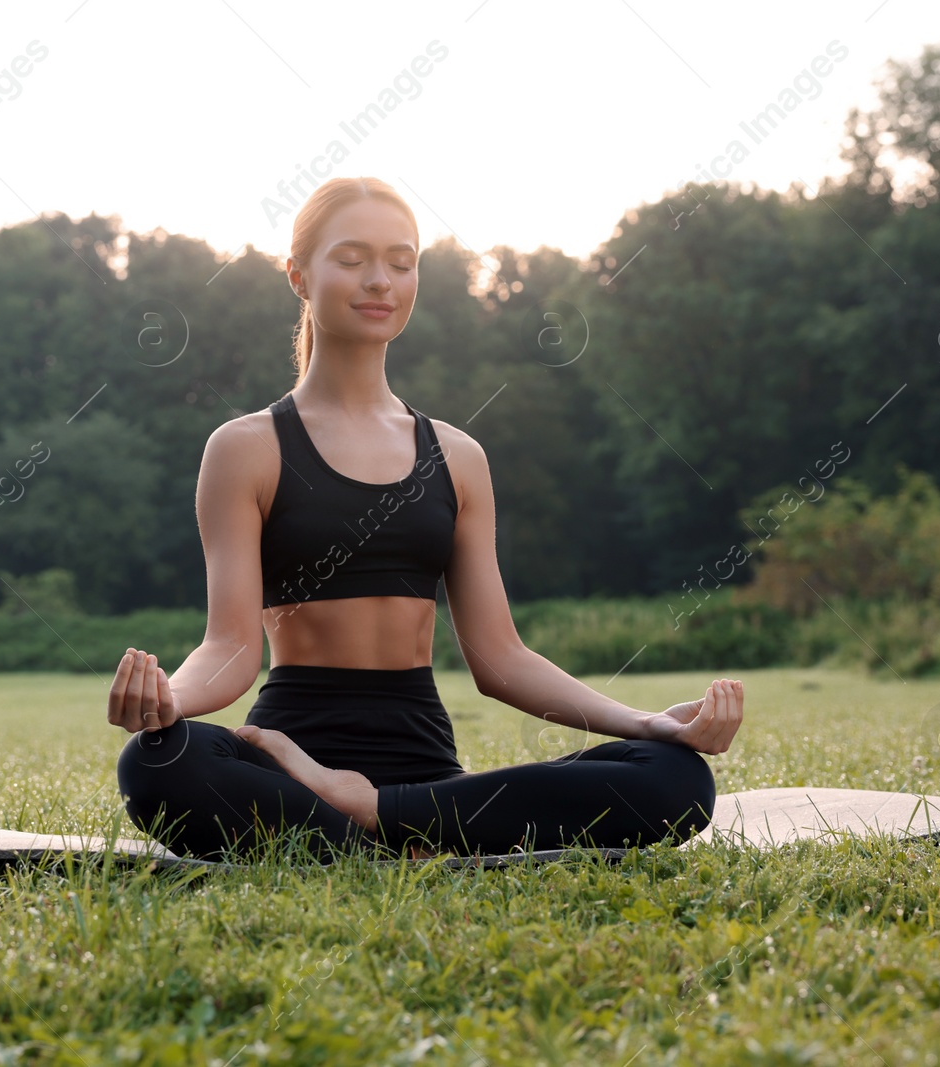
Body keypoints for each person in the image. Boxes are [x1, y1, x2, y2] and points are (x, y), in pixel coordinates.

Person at [110, 176, 742, 862]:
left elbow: (501, 658)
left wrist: (645, 721)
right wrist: (168, 700)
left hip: (424, 765)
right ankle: (408, 833)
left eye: (401, 263)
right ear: (298, 275)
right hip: (288, 760)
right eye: (351, 260)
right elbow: (231, 648)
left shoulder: (458, 456)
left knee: (673, 777)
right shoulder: (245, 448)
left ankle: (373, 817)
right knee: (157, 762)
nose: (379, 280)